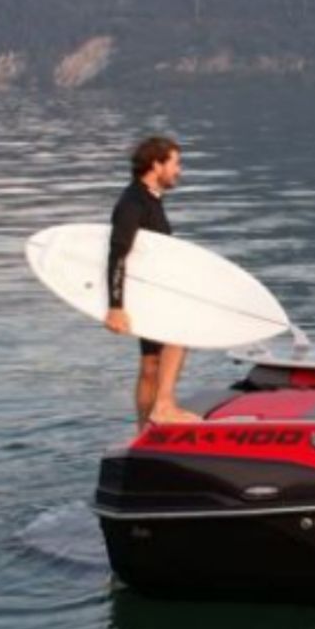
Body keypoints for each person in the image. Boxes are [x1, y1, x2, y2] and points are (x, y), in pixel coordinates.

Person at [105, 134, 199, 426]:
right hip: (143, 294)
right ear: (156, 165)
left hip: (147, 290)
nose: (179, 170)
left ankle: (143, 428)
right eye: (175, 163)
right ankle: (164, 406)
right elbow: (118, 254)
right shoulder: (133, 202)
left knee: (150, 365)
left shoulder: (148, 199)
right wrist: (116, 306)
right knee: (180, 335)